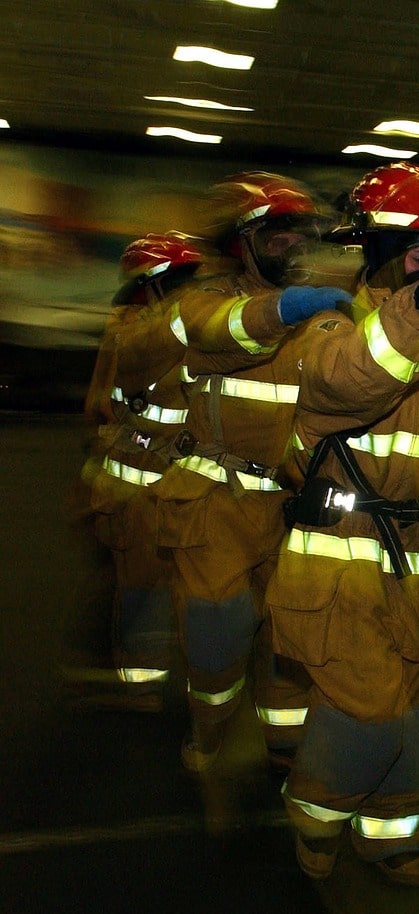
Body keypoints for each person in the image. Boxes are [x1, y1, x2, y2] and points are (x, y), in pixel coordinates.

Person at [265, 162, 419, 886]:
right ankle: (314, 818)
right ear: (378, 255)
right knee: (365, 717)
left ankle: (388, 835)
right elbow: (348, 382)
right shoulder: (332, 328)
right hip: (338, 563)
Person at [148, 172, 352, 777]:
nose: (292, 248)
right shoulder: (203, 304)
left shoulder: (320, 314)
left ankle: (283, 742)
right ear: (240, 242)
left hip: (293, 505)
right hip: (216, 499)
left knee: (290, 635)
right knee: (219, 630)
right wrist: (285, 309)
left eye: (299, 236)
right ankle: (208, 730)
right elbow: (225, 333)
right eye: (276, 235)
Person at [76, 231, 205, 710]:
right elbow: (104, 404)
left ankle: (149, 678)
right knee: (143, 586)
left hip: (156, 484)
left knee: (153, 586)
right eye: (181, 280)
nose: (189, 288)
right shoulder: (139, 332)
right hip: (141, 486)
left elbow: (100, 406)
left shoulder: (160, 326)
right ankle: (142, 682)